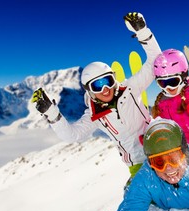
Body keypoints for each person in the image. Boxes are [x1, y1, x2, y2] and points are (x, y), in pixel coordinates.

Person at [31, 12, 161, 180]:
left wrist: (143, 32)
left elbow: (154, 62)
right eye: (97, 85)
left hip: (158, 148)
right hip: (136, 163)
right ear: (89, 90)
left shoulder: (130, 89)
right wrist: (53, 115)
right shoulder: (95, 116)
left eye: (107, 80)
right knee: (143, 197)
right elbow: (72, 135)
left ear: (114, 79)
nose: (105, 89)